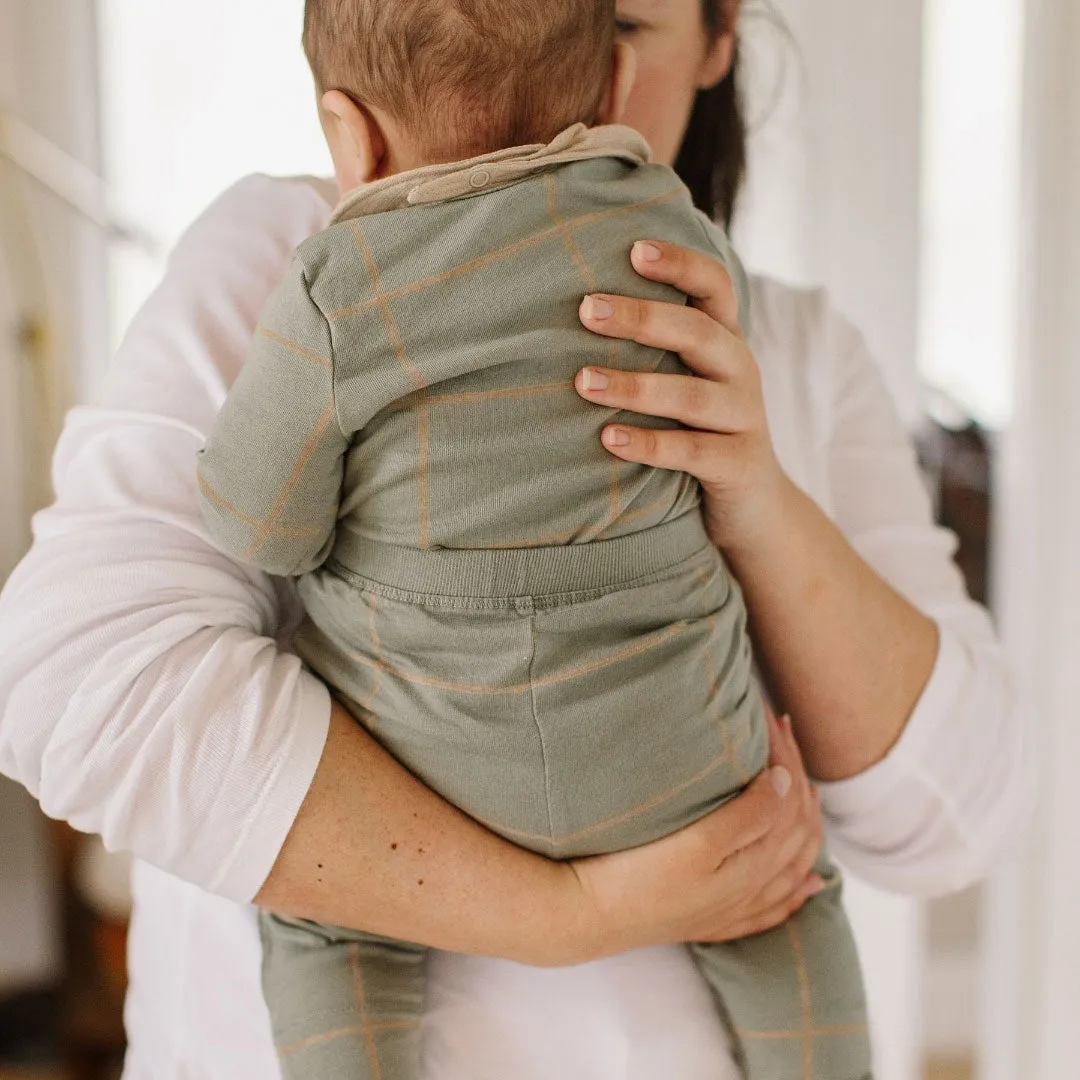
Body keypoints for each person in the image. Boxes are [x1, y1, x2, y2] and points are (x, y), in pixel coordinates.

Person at [0, 2, 1030, 1078]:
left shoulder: (796, 346)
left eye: (614, 24)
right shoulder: (293, 254)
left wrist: (758, 500)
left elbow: (960, 815)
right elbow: (78, 679)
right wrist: (566, 913)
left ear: (717, 38)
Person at [196, 2, 869, 1078]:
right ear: (610, 90)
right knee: (784, 891)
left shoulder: (332, 286)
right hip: (669, 752)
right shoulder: (670, 234)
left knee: (323, 923)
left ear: (350, 134)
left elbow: (258, 529)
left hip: (426, 755)